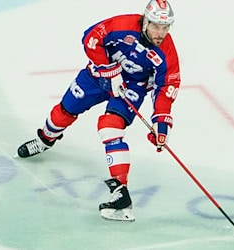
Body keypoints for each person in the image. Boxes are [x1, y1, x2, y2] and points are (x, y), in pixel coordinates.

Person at [16, 0, 180, 221]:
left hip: (131, 87)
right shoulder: (123, 25)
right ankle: (45, 139)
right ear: (145, 21)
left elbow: (166, 87)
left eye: (165, 27)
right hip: (98, 76)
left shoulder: (167, 53)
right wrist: (108, 69)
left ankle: (120, 192)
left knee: (110, 127)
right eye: (155, 26)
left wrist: (161, 122)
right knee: (64, 111)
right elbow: (91, 37)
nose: (160, 33)